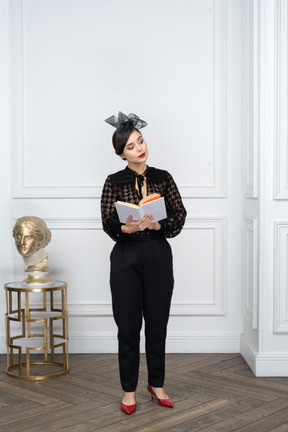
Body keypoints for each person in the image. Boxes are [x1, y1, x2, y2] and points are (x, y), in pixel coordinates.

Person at [101, 111, 186, 415]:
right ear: (121, 153)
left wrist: (157, 226)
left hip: (158, 257)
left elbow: (179, 215)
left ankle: (157, 384)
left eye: (141, 141)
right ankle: (128, 390)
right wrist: (129, 228)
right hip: (125, 260)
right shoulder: (113, 181)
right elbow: (108, 222)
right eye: (131, 146)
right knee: (127, 328)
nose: (140, 148)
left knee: (157, 325)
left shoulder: (164, 177)